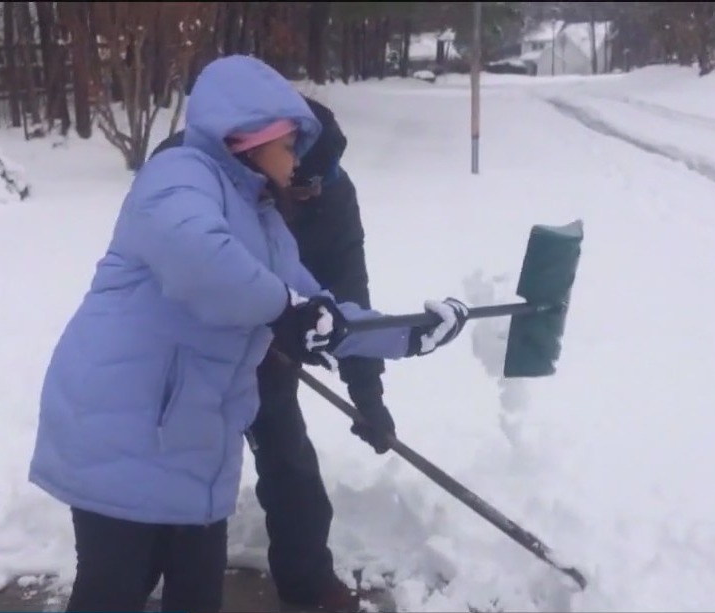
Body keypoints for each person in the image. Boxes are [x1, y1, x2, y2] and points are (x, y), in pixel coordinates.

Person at [28, 54, 473, 613]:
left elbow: (323, 311)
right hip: (125, 432)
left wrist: (410, 334)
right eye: (290, 146)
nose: (296, 164)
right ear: (252, 140)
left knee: (194, 599)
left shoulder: (263, 223)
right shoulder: (179, 175)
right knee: (112, 594)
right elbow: (197, 259)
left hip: (192, 445)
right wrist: (284, 309)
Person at [150, 96, 393, 612]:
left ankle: (308, 586)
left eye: (316, 182)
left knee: (291, 466)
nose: (304, 193)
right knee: (180, 473)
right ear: (262, 152)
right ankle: (156, 580)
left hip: (268, 353)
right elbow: (171, 265)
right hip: (187, 352)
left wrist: (367, 395)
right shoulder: (195, 167)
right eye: (298, 177)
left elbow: (347, 295)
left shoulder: (331, 195)